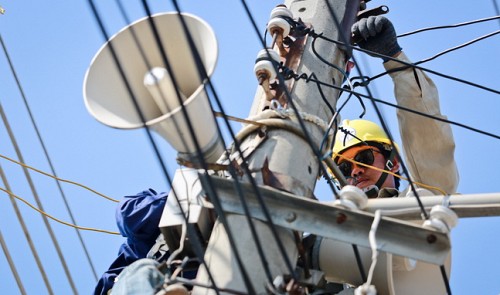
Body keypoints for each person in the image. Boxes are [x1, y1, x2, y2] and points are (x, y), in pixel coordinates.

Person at [331, 15, 459, 198]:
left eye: (364, 158)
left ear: (394, 163)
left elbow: (424, 133)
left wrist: (393, 57)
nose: (355, 172)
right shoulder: (323, 220)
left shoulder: (421, 203)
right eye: (344, 168)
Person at [94, 189, 168, 295]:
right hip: (123, 286)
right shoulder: (156, 204)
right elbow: (129, 216)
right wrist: (180, 198)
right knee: (144, 268)